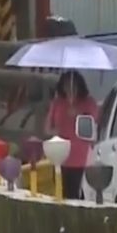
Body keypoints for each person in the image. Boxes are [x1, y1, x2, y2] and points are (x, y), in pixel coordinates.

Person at [44, 71, 98, 199]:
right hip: (59, 154)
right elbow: (47, 129)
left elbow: (94, 125)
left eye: (73, 85)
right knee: (59, 193)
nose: (70, 88)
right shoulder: (58, 103)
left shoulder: (88, 102)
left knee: (73, 193)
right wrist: (55, 131)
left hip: (79, 156)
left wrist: (79, 113)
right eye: (66, 85)